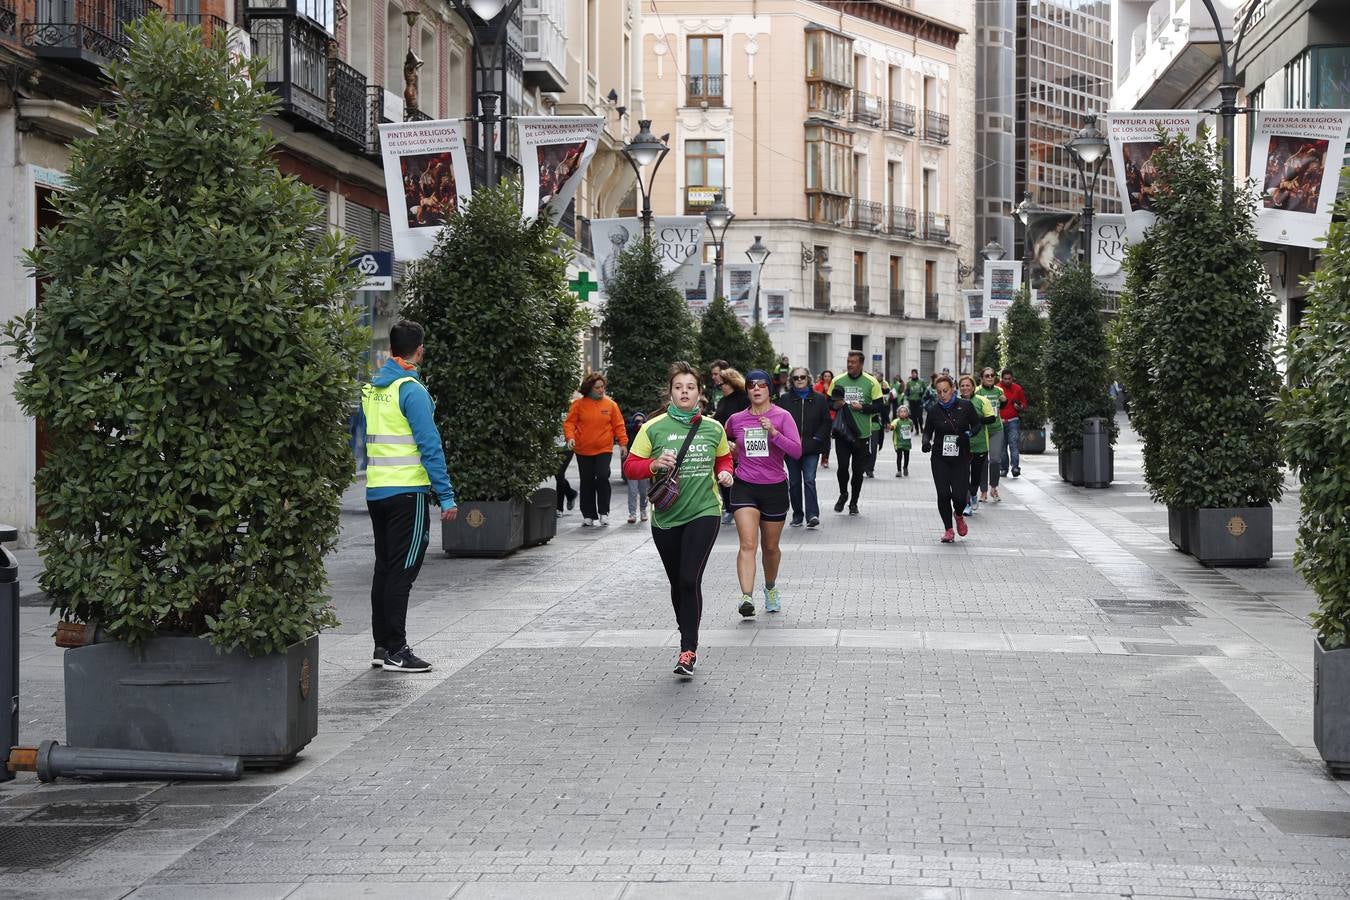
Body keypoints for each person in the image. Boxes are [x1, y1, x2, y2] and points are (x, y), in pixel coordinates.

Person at [622, 362, 734, 678]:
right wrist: (654, 465)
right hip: (667, 517)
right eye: (678, 387)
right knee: (678, 583)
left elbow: (724, 457)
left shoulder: (714, 428)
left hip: (704, 511)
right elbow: (631, 467)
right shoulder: (653, 428)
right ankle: (686, 627)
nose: (684, 392)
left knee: (688, 578)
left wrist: (726, 472)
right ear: (671, 392)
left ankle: (688, 649)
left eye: (690, 387)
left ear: (700, 393)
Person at [362, 320, 458, 673]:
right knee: (403, 571)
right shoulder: (411, 390)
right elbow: (429, 445)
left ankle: (381, 645)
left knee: (385, 569)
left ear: (391, 349)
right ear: (419, 351)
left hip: (376, 491)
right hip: (407, 493)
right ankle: (397, 650)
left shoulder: (374, 388)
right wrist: (446, 496)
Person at [726, 370, 802, 616]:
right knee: (748, 543)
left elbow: (797, 451)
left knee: (770, 547)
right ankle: (746, 597)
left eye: (762, 385)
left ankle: (770, 588)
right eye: (751, 385)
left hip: (774, 487)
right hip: (745, 485)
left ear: (770, 389)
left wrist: (774, 434)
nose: (756, 389)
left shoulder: (782, 417)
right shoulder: (736, 420)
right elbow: (725, 447)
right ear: (747, 390)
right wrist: (730, 452)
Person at [922, 373, 984, 543]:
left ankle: (958, 515)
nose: (942, 395)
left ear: (953, 389)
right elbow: (927, 431)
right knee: (943, 494)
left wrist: (969, 434)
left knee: (958, 496)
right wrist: (926, 442)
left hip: (960, 456)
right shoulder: (934, 410)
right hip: (940, 457)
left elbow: (977, 424)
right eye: (939, 392)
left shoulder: (965, 406)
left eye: (946, 391)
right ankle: (948, 530)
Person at [563, 372, 629, 527]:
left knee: (601, 476)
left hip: (604, 448)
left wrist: (623, 443)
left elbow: (618, 425)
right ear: (589, 388)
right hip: (583, 449)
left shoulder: (611, 405)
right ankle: (588, 514)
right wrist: (570, 437)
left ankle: (604, 512)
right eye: (597, 387)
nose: (601, 390)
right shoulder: (578, 405)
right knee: (586, 481)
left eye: (602, 387)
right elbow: (569, 423)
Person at [775, 366, 831, 527]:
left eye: (802, 377)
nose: (799, 380)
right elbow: (778, 422)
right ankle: (797, 515)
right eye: (796, 378)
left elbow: (826, 422)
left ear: (808, 379)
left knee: (809, 480)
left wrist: (817, 439)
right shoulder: (784, 399)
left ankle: (812, 515)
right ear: (791, 381)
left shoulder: (819, 399)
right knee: (794, 482)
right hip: (791, 448)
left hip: (811, 448)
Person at [830, 351, 885, 515]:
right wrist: (836, 405)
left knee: (857, 470)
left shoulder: (871, 382)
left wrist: (863, 408)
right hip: (842, 433)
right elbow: (828, 402)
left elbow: (880, 407)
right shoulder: (838, 380)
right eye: (848, 361)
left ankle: (854, 501)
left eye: (853, 362)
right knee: (842, 467)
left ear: (861, 364)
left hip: (862, 434)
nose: (850, 365)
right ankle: (843, 494)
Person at [713, 367, 750, 524]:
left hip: (739, 444)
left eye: (722, 384)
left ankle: (740, 507)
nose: (721, 387)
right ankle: (729, 508)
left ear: (730, 383)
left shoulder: (743, 398)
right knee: (724, 475)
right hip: (723, 443)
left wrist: (737, 442)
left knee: (739, 477)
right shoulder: (722, 401)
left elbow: (747, 420)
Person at [958, 374, 998, 516]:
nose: (965, 388)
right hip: (962, 445)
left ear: (973, 387)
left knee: (975, 476)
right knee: (963, 475)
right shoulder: (955, 402)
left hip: (980, 444)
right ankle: (967, 503)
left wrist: (976, 420)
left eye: (968, 385)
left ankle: (974, 494)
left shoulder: (982, 400)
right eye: (962, 386)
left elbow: (992, 418)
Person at [975, 368, 1007, 502]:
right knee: (982, 461)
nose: (990, 378)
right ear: (981, 378)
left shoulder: (999, 391)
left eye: (992, 375)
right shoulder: (977, 391)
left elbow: (1002, 407)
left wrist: (1004, 401)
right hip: (982, 430)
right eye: (987, 375)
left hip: (996, 429)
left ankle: (994, 488)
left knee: (995, 459)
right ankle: (983, 492)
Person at [998, 369, 1027, 478]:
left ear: (1012, 378)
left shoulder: (1017, 388)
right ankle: (1004, 469)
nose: (1007, 381)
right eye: (1005, 379)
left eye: (1009, 379)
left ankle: (1015, 467)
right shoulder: (997, 389)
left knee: (1014, 445)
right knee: (1002, 447)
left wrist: (1020, 407)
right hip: (1000, 421)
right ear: (1001, 379)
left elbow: (1024, 403)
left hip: (1013, 421)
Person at [625, 409, 650, 523]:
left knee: (643, 490)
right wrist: (635, 425)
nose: (639, 423)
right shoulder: (631, 430)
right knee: (632, 490)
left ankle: (643, 510)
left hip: (644, 463)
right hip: (633, 463)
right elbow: (627, 428)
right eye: (637, 421)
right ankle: (632, 513)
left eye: (641, 421)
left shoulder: (647, 430)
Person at [814, 369, 835, 468]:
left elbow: (833, 399)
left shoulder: (833, 386)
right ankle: (816, 455)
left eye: (829, 376)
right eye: (825, 376)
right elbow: (815, 399)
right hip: (818, 415)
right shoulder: (817, 385)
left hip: (830, 415)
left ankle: (825, 458)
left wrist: (827, 390)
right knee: (819, 436)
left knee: (827, 437)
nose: (827, 378)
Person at [889, 405, 915, 476]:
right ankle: (899, 471)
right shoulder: (896, 421)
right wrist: (891, 427)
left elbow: (911, 429)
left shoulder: (910, 421)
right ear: (898, 413)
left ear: (907, 413)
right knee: (899, 456)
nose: (903, 413)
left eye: (905, 412)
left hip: (907, 443)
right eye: (901, 412)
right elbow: (892, 427)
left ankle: (905, 468)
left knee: (907, 457)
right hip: (898, 442)